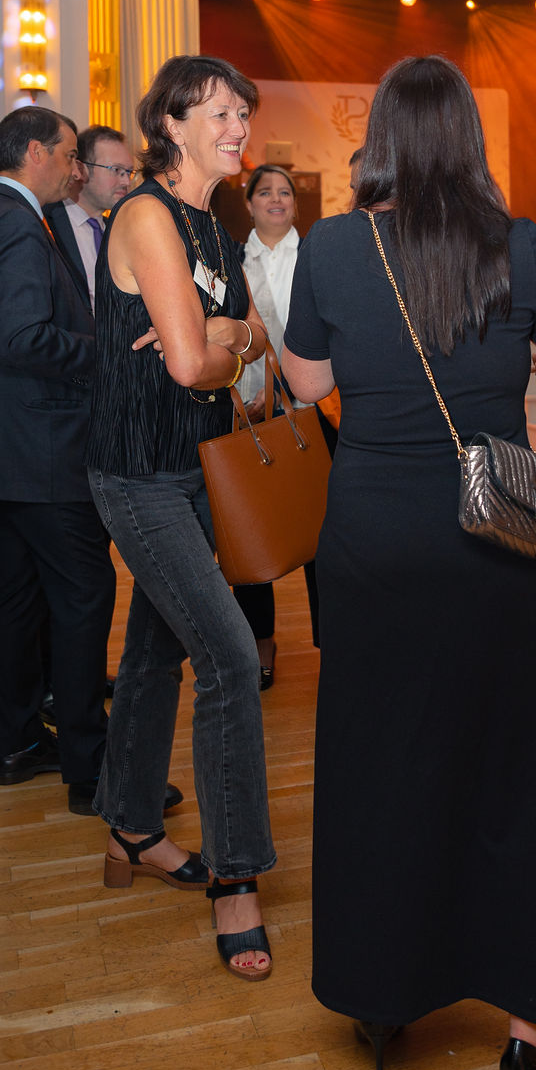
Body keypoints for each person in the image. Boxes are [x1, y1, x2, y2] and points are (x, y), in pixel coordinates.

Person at [282, 55, 536, 1070]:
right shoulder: (520, 245)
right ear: (469, 138)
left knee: (379, 763)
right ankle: (529, 1032)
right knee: (505, 771)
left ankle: (382, 998)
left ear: (378, 138)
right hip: (493, 541)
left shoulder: (333, 246)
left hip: (373, 540)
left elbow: (310, 384)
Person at [85, 54, 277, 980]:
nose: (239, 127)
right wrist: (219, 346)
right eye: (221, 112)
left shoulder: (214, 219)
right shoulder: (150, 216)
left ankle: (129, 825)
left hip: (198, 467)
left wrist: (224, 337)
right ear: (171, 123)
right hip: (139, 476)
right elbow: (188, 366)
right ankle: (236, 879)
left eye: (244, 112)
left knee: (155, 653)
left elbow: (249, 341)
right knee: (231, 660)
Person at [0, 106, 116, 813]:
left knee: (20, 595)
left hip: (16, 448)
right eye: (71, 155)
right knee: (85, 594)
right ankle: (91, 770)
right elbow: (23, 339)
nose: (77, 170)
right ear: (36, 153)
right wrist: (108, 355)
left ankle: (18, 744)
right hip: (44, 450)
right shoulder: (18, 224)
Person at [231, 163, 315, 684]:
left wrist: (285, 392)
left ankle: (335, 640)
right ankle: (259, 642)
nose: (277, 199)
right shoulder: (232, 260)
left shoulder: (317, 257)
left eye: (285, 192)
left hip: (312, 411)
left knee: (321, 533)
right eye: (266, 192)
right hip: (245, 415)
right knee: (249, 534)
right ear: (249, 203)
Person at [48, 126, 136, 309]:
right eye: (116, 170)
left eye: (129, 172)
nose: (126, 181)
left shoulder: (122, 231)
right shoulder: (46, 224)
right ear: (81, 169)